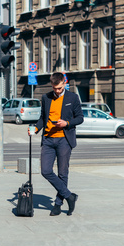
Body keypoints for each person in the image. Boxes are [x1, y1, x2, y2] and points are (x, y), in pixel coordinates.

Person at [28, 72, 84, 216]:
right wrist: (35, 128)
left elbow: (80, 118)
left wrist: (67, 123)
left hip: (64, 139)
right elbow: (43, 118)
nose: (57, 91)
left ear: (64, 83)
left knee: (62, 173)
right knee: (45, 171)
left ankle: (58, 204)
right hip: (47, 139)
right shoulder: (46, 97)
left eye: (59, 88)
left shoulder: (73, 97)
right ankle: (69, 196)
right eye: (54, 88)